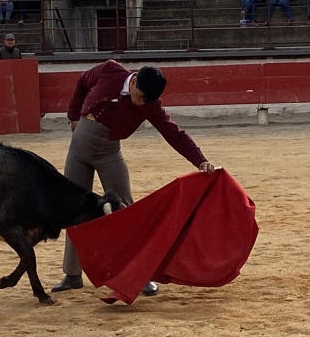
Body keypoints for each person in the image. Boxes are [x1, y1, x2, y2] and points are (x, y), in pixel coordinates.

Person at [51, 60, 215, 296]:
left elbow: (174, 133)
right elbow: (82, 82)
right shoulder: (110, 70)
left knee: (126, 210)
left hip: (109, 153)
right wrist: (73, 115)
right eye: (140, 97)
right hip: (78, 151)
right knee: (74, 210)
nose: (141, 104)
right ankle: (72, 274)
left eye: (147, 101)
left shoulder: (150, 105)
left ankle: (140, 274)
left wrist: (200, 160)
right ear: (134, 81)